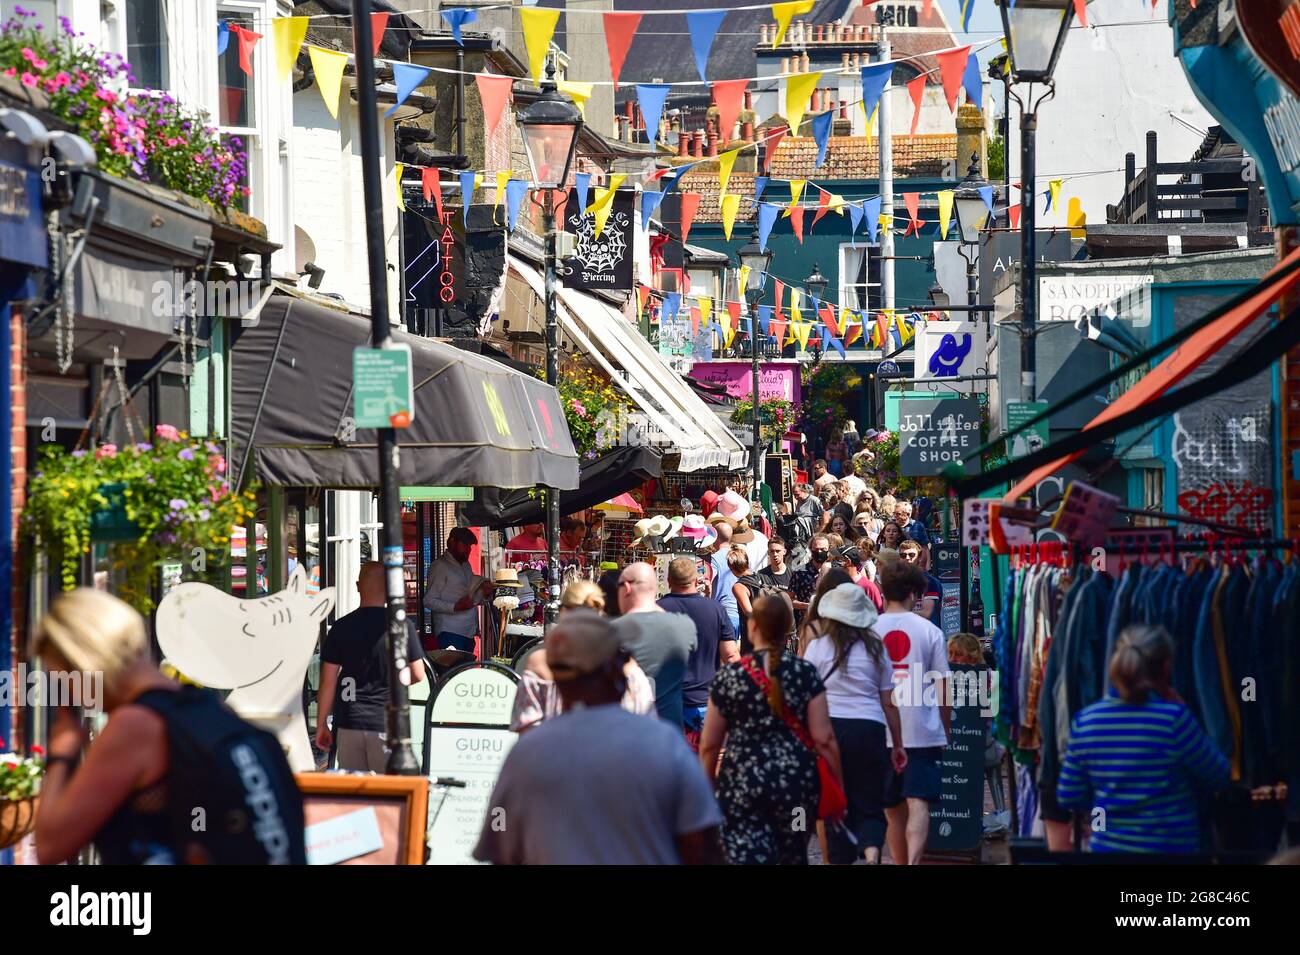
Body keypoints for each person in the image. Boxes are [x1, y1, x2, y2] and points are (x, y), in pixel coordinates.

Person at [31, 589, 305, 865]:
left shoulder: (134, 726)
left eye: (64, 680)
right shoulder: (208, 707)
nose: (73, 695)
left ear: (84, 664)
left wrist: (61, 753)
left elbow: (50, 846)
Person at [474, 610, 724, 864]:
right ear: (616, 670)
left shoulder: (529, 752)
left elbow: (499, 830)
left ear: (559, 683)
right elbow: (701, 840)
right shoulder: (663, 743)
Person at [1057, 624, 1230, 854]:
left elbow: (1069, 795)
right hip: (1171, 852)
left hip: (1108, 850)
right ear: (1166, 668)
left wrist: (1105, 809)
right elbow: (1219, 776)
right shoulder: (1174, 720)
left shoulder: (1086, 721)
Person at [699, 596, 843, 865]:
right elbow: (824, 737)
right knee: (794, 851)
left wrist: (706, 788)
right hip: (796, 787)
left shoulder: (731, 677)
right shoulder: (804, 673)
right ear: (788, 628)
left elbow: (709, 744)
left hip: (742, 783)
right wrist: (838, 782)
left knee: (743, 853)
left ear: (752, 627)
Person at [803, 583, 907, 864]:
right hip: (870, 729)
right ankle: (872, 851)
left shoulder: (817, 648)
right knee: (870, 802)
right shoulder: (877, 648)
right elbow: (889, 702)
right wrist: (898, 743)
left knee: (836, 803)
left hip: (831, 730)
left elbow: (807, 697)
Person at [317, 563, 426, 771]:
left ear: (358, 586)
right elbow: (418, 674)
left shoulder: (341, 627)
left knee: (356, 796)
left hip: (350, 722)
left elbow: (327, 681)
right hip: (386, 723)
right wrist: (395, 682)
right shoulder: (401, 626)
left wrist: (322, 724)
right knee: (390, 795)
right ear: (387, 588)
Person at [876, 560, 950, 865]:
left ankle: (899, 861)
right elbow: (944, 686)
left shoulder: (870, 629)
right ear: (913, 592)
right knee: (919, 800)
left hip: (882, 729)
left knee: (892, 808)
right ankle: (913, 862)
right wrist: (946, 727)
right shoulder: (929, 631)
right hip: (922, 726)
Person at [510, 581, 655, 733]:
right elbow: (648, 725)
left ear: (564, 611)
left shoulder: (540, 664)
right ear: (600, 610)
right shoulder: (629, 668)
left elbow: (525, 730)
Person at [658, 557, 740, 743]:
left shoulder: (656, 610)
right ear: (696, 580)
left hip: (667, 701)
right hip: (705, 701)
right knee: (706, 759)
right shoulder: (716, 609)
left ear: (668, 581)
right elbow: (731, 656)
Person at [612, 561, 697, 728]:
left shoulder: (611, 632)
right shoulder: (685, 625)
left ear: (627, 588)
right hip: (670, 734)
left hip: (627, 732)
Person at [423, 527, 491, 655]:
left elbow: (472, 599)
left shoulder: (466, 566)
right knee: (453, 673)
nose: (468, 549)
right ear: (452, 542)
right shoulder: (440, 566)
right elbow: (428, 601)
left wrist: (484, 594)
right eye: (465, 544)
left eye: (469, 546)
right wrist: (454, 607)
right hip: (450, 633)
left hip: (469, 633)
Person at [728, 546, 766, 654]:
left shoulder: (739, 587)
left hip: (752, 640)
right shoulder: (761, 577)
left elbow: (750, 614)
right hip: (770, 635)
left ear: (731, 566)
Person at [898, 540, 943, 627]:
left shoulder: (929, 582)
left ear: (919, 557)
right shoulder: (897, 582)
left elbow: (927, 613)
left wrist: (899, 614)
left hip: (927, 634)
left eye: (911, 555)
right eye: (903, 555)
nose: (907, 558)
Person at [790, 533, 834, 614]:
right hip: (805, 620)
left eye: (823, 549)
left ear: (829, 549)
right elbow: (790, 599)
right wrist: (808, 605)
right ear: (810, 549)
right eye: (816, 549)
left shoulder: (835, 571)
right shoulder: (800, 572)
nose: (819, 552)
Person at [834, 545, 885, 612]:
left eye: (838, 559)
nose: (834, 562)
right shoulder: (836, 582)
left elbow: (878, 613)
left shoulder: (868, 587)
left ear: (848, 562)